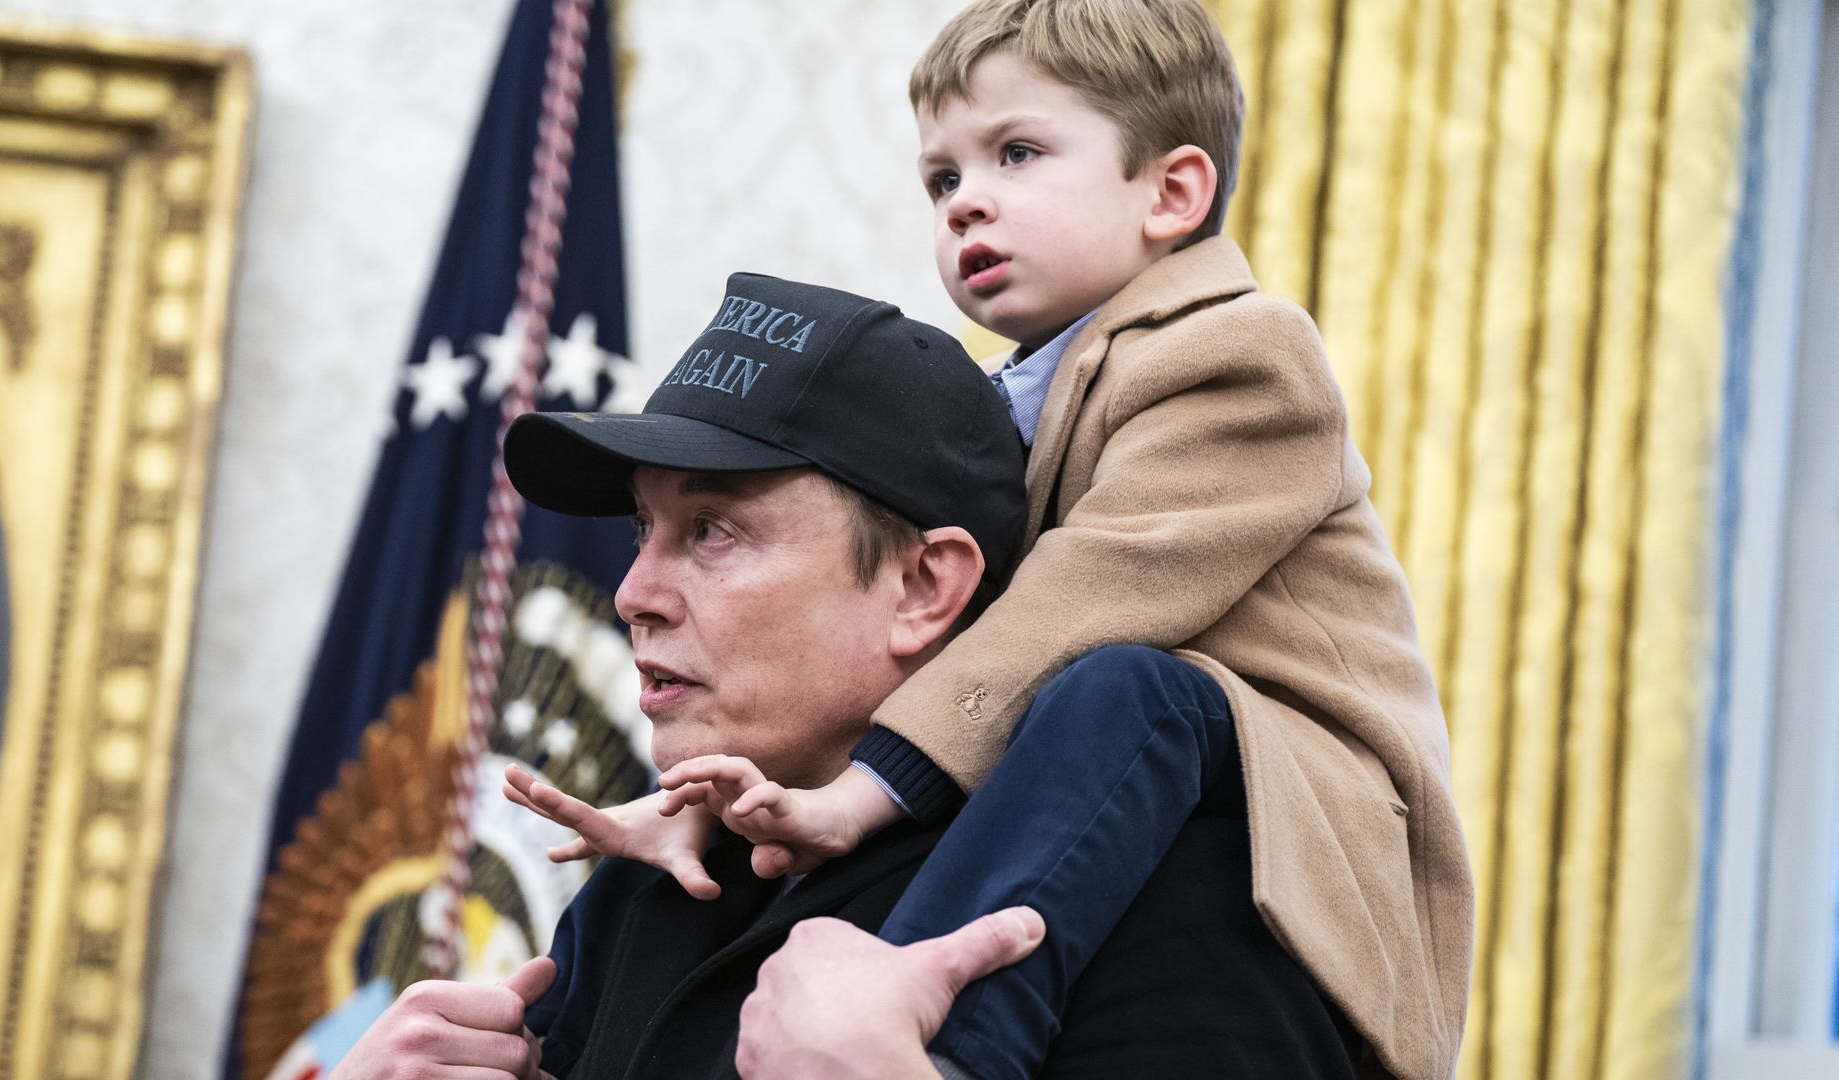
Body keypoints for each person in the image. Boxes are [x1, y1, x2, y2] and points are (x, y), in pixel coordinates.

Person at [520, 2, 1473, 1079]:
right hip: (1096, 741)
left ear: (1174, 191)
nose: (968, 200)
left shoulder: (1244, 358)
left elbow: (1080, 597)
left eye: (1017, 154)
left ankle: (966, 1037)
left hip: (1279, 790)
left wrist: (859, 806)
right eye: (941, 179)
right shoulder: (648, 904)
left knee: (1125, 683)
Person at [333, 271, 1367, 1079]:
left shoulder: (1155, 888)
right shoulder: (659, 889)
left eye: (715, 531)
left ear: (925, 586)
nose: (635, 591)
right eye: (645, 527)